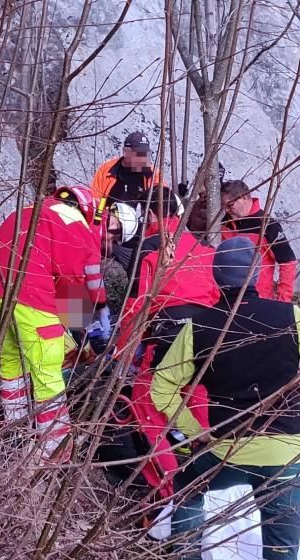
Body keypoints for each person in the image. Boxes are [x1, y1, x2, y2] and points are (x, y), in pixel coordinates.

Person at [150, 237, 300, 560]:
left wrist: (197, 432)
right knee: (281, 554)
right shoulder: (290, 316)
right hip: (286, 455)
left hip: (227, 450)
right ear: (257, 274)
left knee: (188, 493)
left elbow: (162, 387)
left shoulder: (201, 326)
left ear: (216, 275)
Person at [0, 185, 109, 462]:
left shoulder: (26, 211)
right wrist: (85, 324)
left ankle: (15, 429)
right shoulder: (74, 222)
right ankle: (55, 447)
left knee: (10, 363)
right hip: (31, 300)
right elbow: (72, 279)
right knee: (47, 373)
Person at [116, 185, 220, 496]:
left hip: (167, 332)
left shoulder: (150, 247)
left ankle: (170, 492)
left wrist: (120, 350)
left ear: (149, 215)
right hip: (207, 333)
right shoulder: (205, 247)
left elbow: (139, 304)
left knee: (144, 400)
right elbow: (218, 298)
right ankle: (213, 479)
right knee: (198, 398)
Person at [221, 179, 297, 302]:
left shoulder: (267, 225)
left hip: (258, 298)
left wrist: (283, 300)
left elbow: (288, 262)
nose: (227, 211)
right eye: (223, 207)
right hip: (227, 298)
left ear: (244, 197)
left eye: (230, 206)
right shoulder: (225, 223)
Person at [90, 131, 163, 213]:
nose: (143, 159)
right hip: (108, 222)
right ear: (125, 152)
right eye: (139, 154)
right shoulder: (107, 170)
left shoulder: (153, 175)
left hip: (141, 224)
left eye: (145, 154)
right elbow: (94, 199)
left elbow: (164, 204)